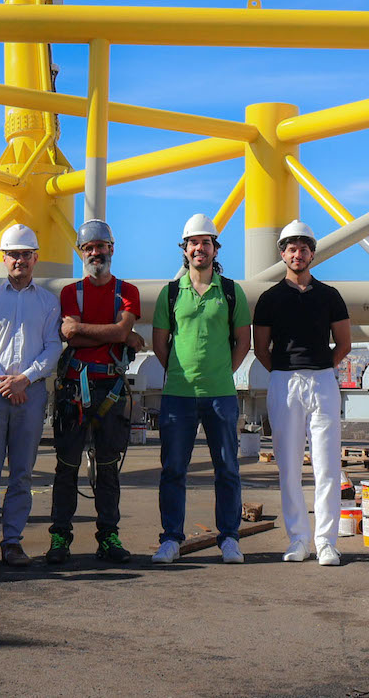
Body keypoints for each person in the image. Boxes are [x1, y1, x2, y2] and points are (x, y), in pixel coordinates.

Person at [150, 213, 252, 565]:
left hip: (220, 395)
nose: (199, 248)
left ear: (214, 249)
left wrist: (223, 373)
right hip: (178, 395)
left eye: (205, 242)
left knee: (227, 469)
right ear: (185, 249)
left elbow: (243, 341)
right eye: (193, 242)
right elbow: (160, 342)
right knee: (173, 469)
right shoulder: (171, 292)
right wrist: (180, 373)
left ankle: (229, 538)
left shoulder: (230, 291)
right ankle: (171, 539)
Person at [0, 224, 62, 568]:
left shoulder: (49, 303)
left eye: (25, 254)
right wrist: (5, 382)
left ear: (35, 258)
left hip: (29, 395)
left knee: (22, 472)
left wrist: (25, 379)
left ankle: (13, 541)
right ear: (2, 258)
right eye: (13, 254)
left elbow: (52, 347)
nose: (19, 260)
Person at [253, 219, 351, 567]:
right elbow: (261, 348)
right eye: (291, 249)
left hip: (323, 380)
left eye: (304, 248)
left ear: (312, 253)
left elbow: (344, 343)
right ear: (283, 254)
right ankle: (298, 539)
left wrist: (323, 368)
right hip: (284, 381)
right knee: (288, 466)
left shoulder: (330, 296)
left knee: (327, 467)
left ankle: (326, 542)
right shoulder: (270, 298)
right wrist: (284, 373)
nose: (298, 254)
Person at [49, 219, 141, 565]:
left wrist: (108, 332)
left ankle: (108, 536)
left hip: (111, 389)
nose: (94, 253)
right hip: (75, 389)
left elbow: (108, 332)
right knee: (66, 465)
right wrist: (117, 333)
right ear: (81, 253)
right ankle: (60, 537)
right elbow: (74, 337)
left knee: (108, 466)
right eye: (88, 248)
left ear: (111, 249)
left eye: (100, 247)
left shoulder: (127, 291)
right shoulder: (70, 292)